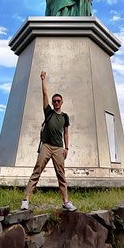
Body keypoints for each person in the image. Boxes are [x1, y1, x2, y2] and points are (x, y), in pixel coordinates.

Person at [21, 71, 77, 212]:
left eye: (59, 101)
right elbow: (45, 94)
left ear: (62, 102)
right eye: (54, 101)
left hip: (59, 148)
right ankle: (26, 200)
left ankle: (65, 202)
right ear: (52, 103)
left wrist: (67, 148)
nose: (56, 103)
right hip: (46, 146)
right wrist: (43, 80)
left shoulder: (65, 117)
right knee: (37, 171)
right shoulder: (49, 112)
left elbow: (66, 133)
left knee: (61, 175)